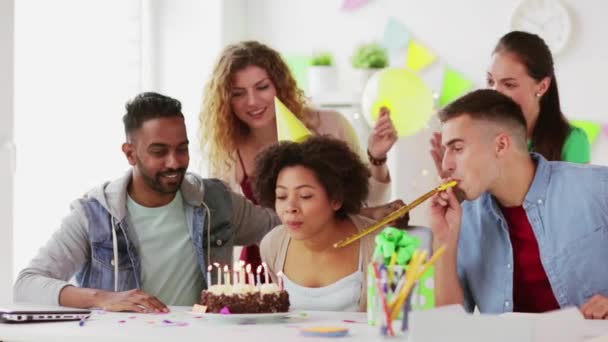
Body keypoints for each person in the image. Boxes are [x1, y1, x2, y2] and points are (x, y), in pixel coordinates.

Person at [13, 92, 280, 312]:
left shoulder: (215, 202)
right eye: (159, 151)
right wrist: (102, 298)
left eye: (182, 149)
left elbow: (283, 226)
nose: (174, 162)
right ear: (130, 153)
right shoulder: (93, 215)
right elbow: (27, 284)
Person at [199, 40, 398, 269]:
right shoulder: (227, 151)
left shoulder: (331, 125)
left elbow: (369, 200)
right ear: (226, 99)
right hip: (263, 269)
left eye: (262, 87)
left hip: (335, 260)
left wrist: (376, 156)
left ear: (279, 86)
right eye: (238, 93)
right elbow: (231, 223)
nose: (252, 101)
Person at [429, 89, 608, 319]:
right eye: (445, 151)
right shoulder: (463, 220)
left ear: (501, 145)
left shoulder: (597, 187)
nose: (446, 165)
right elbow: (447, 325)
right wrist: (444, 240)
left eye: (457, 148)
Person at [257, 136, 400, 312]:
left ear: (336, 199)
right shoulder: (272, 245)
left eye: (305, 196)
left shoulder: (382, 245)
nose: (290, 208)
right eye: (281, 196)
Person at [431, 31, 590, 177]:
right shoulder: (480, 138)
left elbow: (576, 206)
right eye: (490, 81)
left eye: (509, 84)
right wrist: (455, 183)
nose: (495, 92)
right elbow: (477, 206)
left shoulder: (572, 141)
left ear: (542, 86)